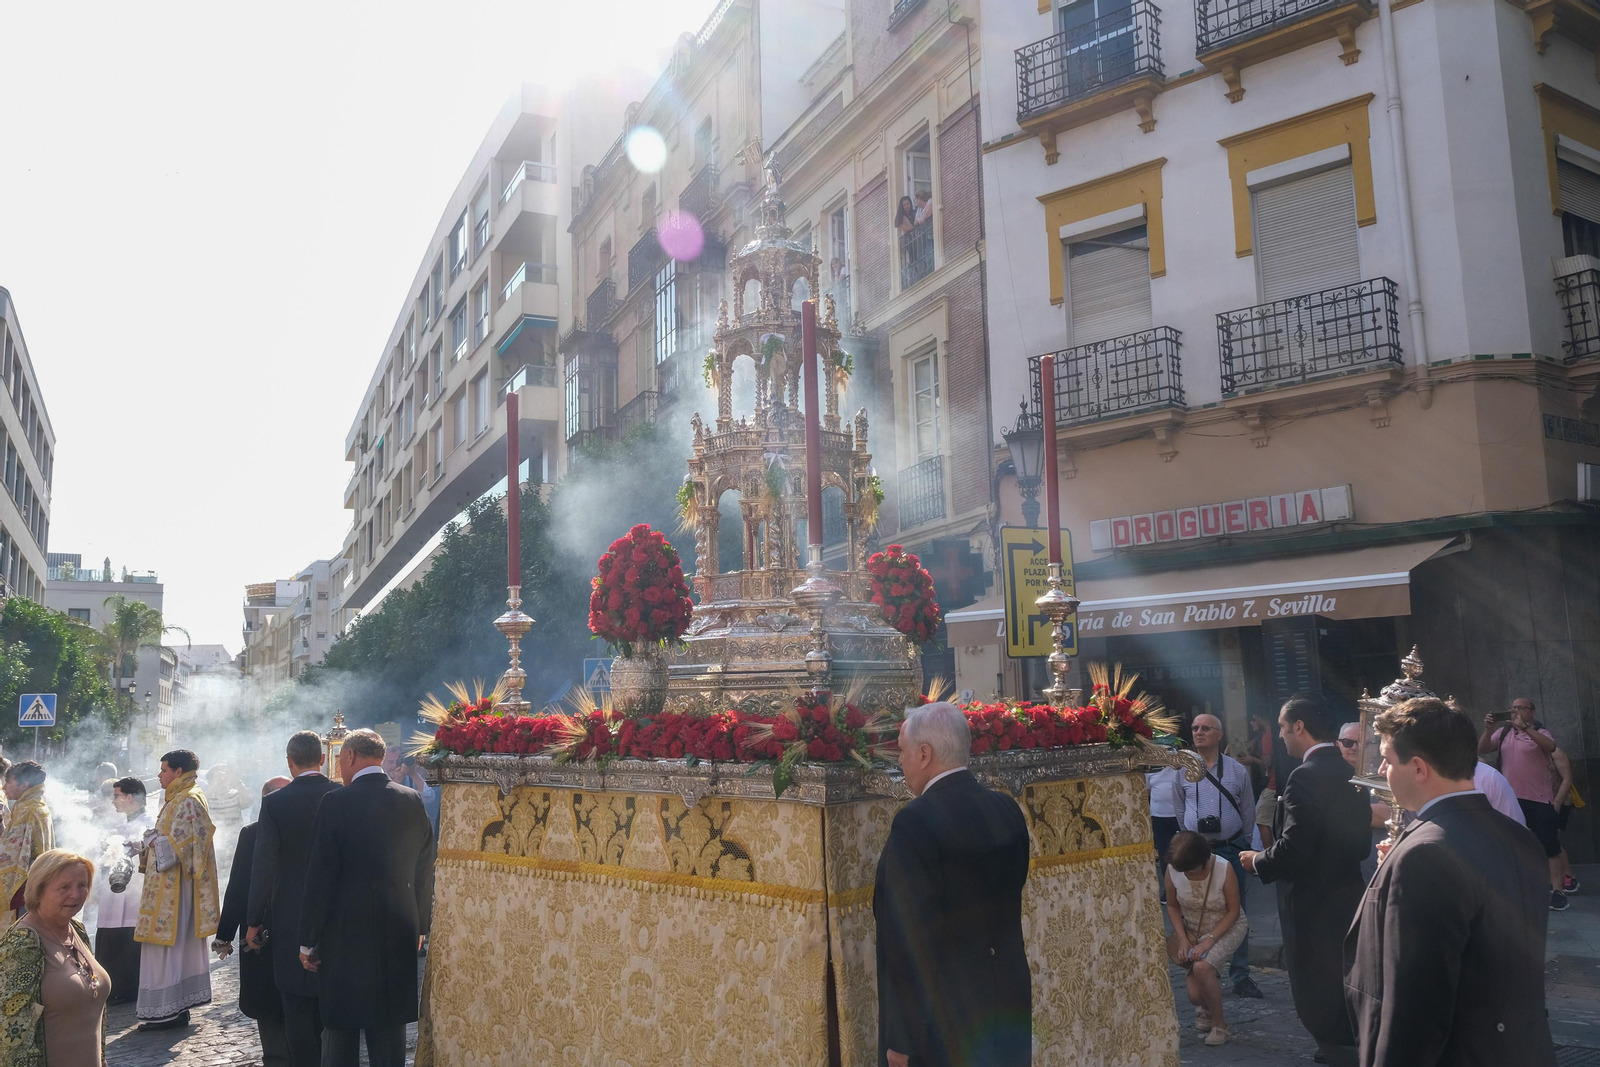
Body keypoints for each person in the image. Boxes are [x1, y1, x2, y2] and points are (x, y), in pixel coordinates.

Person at [1346, 697, 1555, 1067]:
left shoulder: (1426, 855)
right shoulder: (1520, 837)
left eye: (1388, 760)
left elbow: (1414, 1003)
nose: (1380, 770)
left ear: (1419, 768)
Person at [872, 702, 1031, 1067]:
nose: (900, 762)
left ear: (924, 754)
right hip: (1006, 1002)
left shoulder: (915, 822)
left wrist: (901, 1037)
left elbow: (909, 936)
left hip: (943, 1019)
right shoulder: (1006, 808)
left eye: (902, 751)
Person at [1241, 694, 1372, 1067]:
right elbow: (1361, 844)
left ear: (1299, 726)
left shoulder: (1304, 775)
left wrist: (1257, 861)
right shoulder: (1350, 771)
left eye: (1282, 727)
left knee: (1317, 982)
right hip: (1347, 894)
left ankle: (1337, 1047)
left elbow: (1294, 848)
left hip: (1311, 903)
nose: (1280, 736)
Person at [299, 730, 434, 1067]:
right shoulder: (411, 799)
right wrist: (421, 923)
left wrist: (307, 940)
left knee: (342, 1027)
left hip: (344, 932)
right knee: (389, 1027)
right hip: (398, 928)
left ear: (348, 757)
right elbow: (425, 868)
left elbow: (320, 876)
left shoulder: (335, 802)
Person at [249, 731, 340, 1067]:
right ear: (323, 758)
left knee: (296, 1005)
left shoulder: (274, 803)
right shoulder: (341, 794)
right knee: (333, 997)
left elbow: (264, 866)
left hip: (289, 915)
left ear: (289, 762)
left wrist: (254, 920)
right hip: (335, 913)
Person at [1171, 713, 1260, 999]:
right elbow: (1180, 811)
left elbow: (1248, 811)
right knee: (1195, 910)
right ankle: (1205, 966)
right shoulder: (1181, 772)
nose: (1199, 732)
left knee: (1236, 912)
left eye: (1206, 728)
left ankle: (1241, 974)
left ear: (1219, 734)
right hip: (1199, 855)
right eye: (1195, 727)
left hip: (1229, 849)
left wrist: (1241, 843)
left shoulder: (1236, 771)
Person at [133, 749, 220, 1031]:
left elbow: (186, 847)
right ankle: (173, 1006)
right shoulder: (177, 797)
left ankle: (168, 1011)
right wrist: (150, 839)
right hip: (165, 886)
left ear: (178, 772)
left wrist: (152, 842)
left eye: (163, 770)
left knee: (168, 947)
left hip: (175, 890)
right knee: (168, 948)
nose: (159, 775)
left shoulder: (188, 798)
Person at [0, 850, 110, 1066]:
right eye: (64, 887)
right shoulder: (23, 942)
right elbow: (9, 1032)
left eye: (82, 885)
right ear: (38, 891)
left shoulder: (76, 929)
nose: (76, 895)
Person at [217, 776, 291, 1067]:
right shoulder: (251, 833)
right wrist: (224, 935)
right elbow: (237, 887)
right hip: (260, 932)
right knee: (267, 1002)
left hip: (276, 930)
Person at [1479, 697, 1567, 909]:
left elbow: (1551, 746)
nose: (1515, 711)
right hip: (1511, 799)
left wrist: (1526, 728)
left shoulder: (1540, 732)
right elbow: (1481, 749)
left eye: (1521, 708)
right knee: (1513, 845)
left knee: (1549, 846)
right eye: (1513, 708)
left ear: (1532, 712)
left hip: (1539, 799)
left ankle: (1557, 891)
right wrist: (1489, 730)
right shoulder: (1504, 733)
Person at [1165, 831, 1247, 1047]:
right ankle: (1207, 1008)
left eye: (1191, 870)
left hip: (1226, 927)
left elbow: (1234, 911)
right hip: (1192, 931)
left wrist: (1209, 940)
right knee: (1194, 996)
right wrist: (1183, 939)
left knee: (1202, 968)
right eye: (1183, 871)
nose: (1187, 875)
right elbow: (1172, 906)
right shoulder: (1174, 870)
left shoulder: (1223, 868)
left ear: (1203, 860)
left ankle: (1220, 1025)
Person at [94, 776, 152, 1004]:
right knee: (110, 935)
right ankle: (111, 985)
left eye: (117, 796)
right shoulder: (119, 825)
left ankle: (128, 987)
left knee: (130, 936)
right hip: (112, 892)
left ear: (130, 797)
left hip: (135, 891)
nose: (113, 801)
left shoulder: (150, 823)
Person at [0, 761, 54, 928]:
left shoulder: (28, 810)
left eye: (8, 782)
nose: (3, 788)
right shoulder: (36, 805)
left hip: (23, 886)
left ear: (24, 784)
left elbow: (11, 854)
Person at [1339, 722, 1393, 884]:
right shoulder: (1327, 775)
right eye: (1348, 742)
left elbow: (1389, 814)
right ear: (1338, 744)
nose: (1354, 748)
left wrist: (1333, 811)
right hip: (1339, 874)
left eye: (1364, 743)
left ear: (1375, 746)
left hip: (1374, 870)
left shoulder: (1385, 774)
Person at [1147, 765, 1180, 899]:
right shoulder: (1150, 769)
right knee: (1164, 853)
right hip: (1159, 817)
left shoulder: (1180, 768)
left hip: (1179, 816)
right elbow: (1148, 790)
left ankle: (1185, 887)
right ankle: (1169, 890)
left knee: (1182, 851)